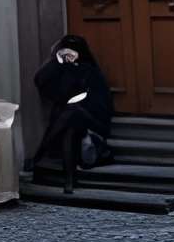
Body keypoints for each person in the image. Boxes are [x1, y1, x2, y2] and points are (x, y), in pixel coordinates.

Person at [33, 32, 114, 193]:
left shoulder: (90, 71)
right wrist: (58, 61)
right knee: (69, 128)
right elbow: (40, 81)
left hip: (91, 122)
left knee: (74, 112)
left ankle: (39, 154)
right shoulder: (61, 69)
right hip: (68, 123)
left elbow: (100, 105)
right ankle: (69, 181)